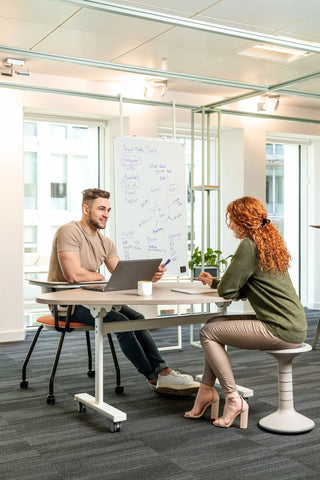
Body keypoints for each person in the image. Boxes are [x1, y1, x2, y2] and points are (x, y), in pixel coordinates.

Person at [48, 188, 199, 395]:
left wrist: (148, 276)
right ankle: (153, 377)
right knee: (122, 323)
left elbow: (121, 275)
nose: (106, 214)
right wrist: (100, 277)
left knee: (137, 318)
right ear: (85, 209)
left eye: (108, 210)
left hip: (92, 299)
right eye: (101, 209)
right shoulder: (69, 231)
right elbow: (73, 275)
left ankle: (164, 371)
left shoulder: (105, 242)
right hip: (68, 304)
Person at [185, 196, 307, 429]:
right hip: (294, 324)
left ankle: (232, 399)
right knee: (214, 323)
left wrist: (219, 284)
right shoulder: (269, 243)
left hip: (279, 329)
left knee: (208, 332)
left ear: (241, 221)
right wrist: (214, 282)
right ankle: (206, 392)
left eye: (231, 220)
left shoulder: (248, 245)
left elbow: (229, 290)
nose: (230, 225)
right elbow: (250, 284)